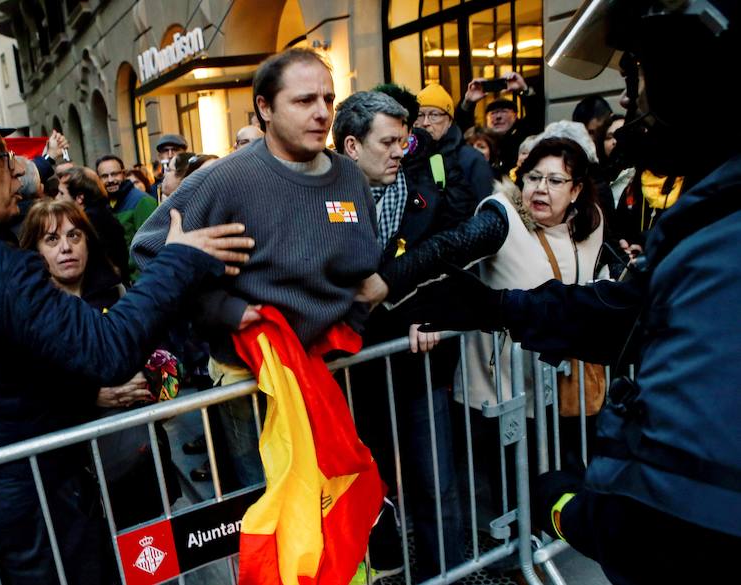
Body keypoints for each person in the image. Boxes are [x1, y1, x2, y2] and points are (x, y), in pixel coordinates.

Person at [0, 88, 253, 585]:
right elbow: (106, 349)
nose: (16, 170)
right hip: (31, 511)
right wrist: (178, 259)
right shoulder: (2, 269)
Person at [410, 2, 741, 582]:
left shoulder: (722, 236)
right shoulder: (711, 215)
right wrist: (499, 307)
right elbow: (625, 312)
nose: (630, 102)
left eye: (637, 73)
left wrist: (568, 508)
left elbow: (663, 522)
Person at [132, 47, 381, 491]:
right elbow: (150, 249)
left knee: (334, 496)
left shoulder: (349, 177)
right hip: (253, 384)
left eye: (328, 99)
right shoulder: (225, 179)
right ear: (265, 108)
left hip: (333, 369)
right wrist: (221, 310)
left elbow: (364, 263)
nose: (322, 112)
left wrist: (356, 314)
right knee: (271, 501)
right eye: (304, 100)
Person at [333, 90, 465, 580]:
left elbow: (446, 264)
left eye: (403, 142)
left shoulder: (425, 192)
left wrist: (427, 315)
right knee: (368, 482)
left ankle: (445, 572)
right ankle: (384, 565)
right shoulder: (322, 202)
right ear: (352, 147)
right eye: (387, 142)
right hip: (352, 373)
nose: (399, 152)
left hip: (417, 363)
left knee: (434, 479)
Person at [19, 198, 180, 529]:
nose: (66, 247)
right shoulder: (30, 311)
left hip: (137, 457)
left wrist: (156, 381)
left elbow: (158, 353)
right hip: (74, 473)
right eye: (52, 239)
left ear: (88, 242)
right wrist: (91, 395)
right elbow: (27, 385)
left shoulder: (118, 292)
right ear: (36, 251)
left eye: (74, 236)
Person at [414, 82, 493, 213]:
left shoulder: (471, 159)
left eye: (434, 115)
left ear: (449, 120)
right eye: (420, 115)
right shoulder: (408, 157)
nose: (425, 122)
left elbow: (486, 211)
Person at [56, 166, 132, 284]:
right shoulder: (100, 213)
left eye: (61, 193)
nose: (56, 198)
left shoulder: (89, 223)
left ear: (79, 198)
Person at [455, 72, 541, 172]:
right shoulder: (481, 138)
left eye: (504, 112)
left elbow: (536, 116)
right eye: (493, 113)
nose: (498, 117)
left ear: (515, 115)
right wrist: (468, 101)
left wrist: (524, 90)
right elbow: (462, 126)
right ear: (486, 118)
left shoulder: (523, 134)